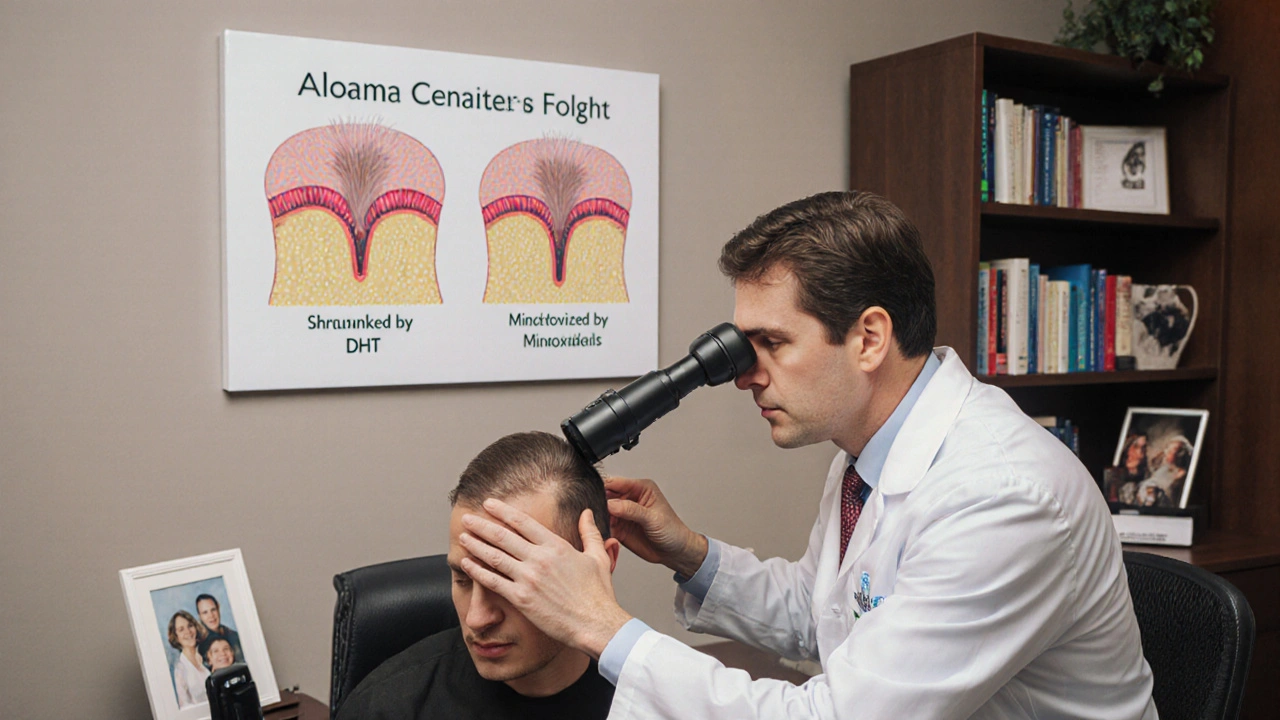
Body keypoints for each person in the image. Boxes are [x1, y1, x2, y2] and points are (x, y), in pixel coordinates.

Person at [456, 191, 1157, 719]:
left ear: (869, 339)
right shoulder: (867, 453)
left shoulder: (1002, 497)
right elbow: (828, 615)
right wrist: (690, 554)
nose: (744, 376)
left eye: (771, 343)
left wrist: (600, 625)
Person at [335, 431, 619, 720]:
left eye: (511, 578)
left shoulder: (643, 695)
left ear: (600, 564)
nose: (476, 619)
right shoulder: (385, 709)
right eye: (463, 580)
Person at [167, 610, 209, 708]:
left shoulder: (208, 653)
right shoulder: (180, 670)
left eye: (190, 626)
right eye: (181, 629)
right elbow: (184, 706)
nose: (188, 632)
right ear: (176, 637)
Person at [195, 594, 245, 665]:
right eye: (205, 612)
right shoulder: (198, 644)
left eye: (213, 610)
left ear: (218, 609)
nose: (211, 615)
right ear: (200, 616)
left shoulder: (234, 636)